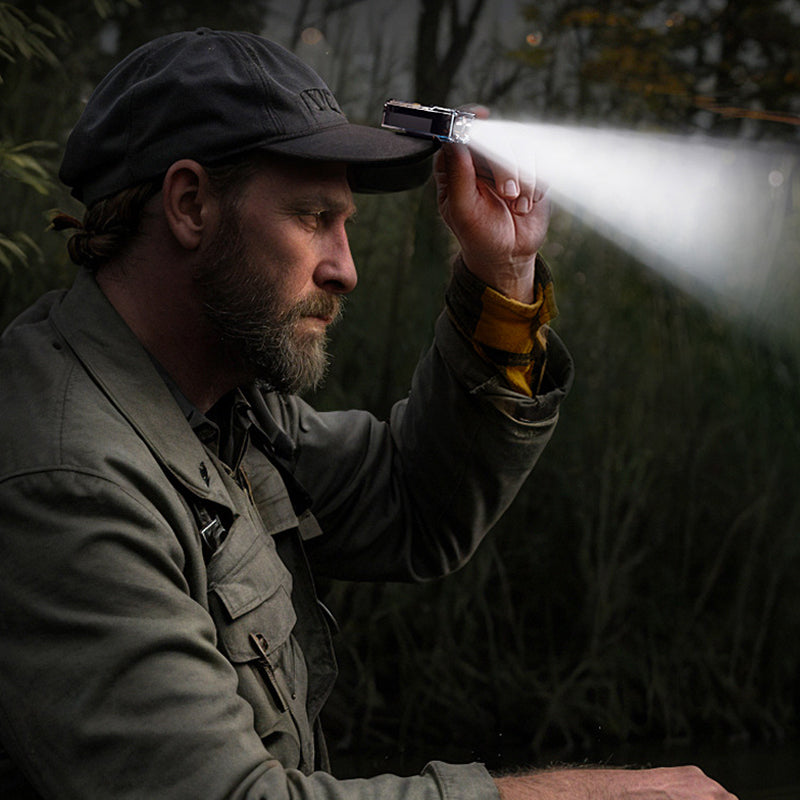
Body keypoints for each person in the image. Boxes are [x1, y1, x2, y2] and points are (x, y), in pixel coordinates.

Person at [0, 28, 735, 800]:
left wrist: (504, 272)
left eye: (343, 224)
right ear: (190, 205)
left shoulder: (219, 407)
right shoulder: (64, 474)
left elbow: (416, 501)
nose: (346, 269)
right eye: (313, 217)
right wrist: (580, 797)